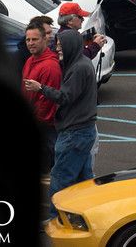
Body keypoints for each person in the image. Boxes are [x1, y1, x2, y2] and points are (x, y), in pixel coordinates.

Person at [24, 29, 98, 220]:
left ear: (70, 45)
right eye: (56, 45)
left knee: (60, 178)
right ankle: (87, 215)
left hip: (74, 133)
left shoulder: (78, 68)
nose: (57, 49)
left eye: (60, 45)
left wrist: (40, 88)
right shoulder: (80, 64)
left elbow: (65, 96)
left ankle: (55, 219)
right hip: (83, 131)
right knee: (83, 179)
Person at [21, 18, 61, 174]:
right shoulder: (30, 60)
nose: (30, 43)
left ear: (45, 39)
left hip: (45, 128)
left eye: (35, 39)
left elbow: (48, 102)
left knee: (50, 170)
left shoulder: (50, 66)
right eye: (28, 39)